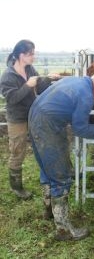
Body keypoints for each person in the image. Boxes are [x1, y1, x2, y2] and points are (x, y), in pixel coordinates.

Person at [28, 69, 94, 241]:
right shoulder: (86, 96)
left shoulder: (78, 81)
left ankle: (49, 210)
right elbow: (80, 129)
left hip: (35, 116)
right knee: (61, 175)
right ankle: (63, 230)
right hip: (48, 125)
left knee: (48, 168)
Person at [0, 39, 60, 200]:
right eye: (30, 54)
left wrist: (48, 79)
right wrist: (27, 85)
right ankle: (16, 187)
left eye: (33, 53)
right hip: (18, 119)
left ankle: (47, 178)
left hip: (33, 114)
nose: (33, 56)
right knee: (17, 150)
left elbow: (39, 87)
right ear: (21, 55)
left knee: (40, 145)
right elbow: (12, 99)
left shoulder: (30, 68)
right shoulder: (7, 75)